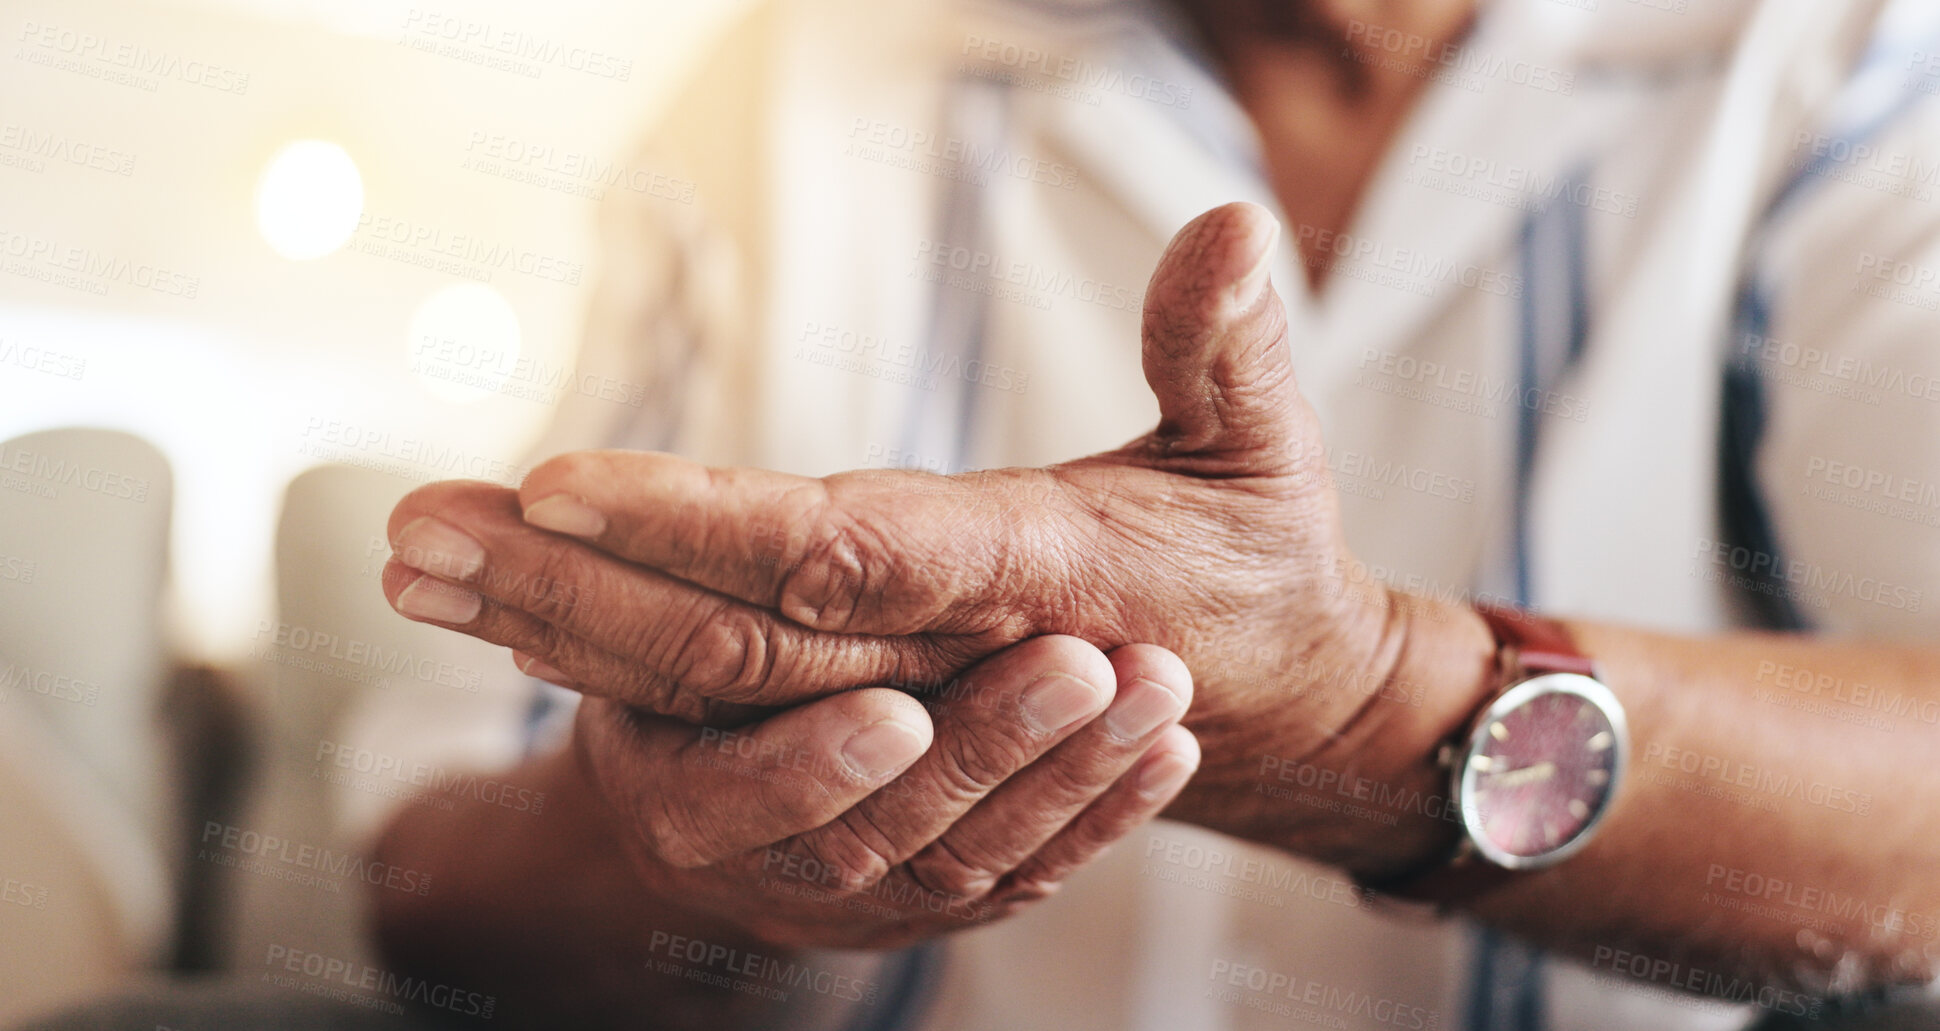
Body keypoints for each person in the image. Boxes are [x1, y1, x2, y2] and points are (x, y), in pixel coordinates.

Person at [367, 0, 1940, 1029]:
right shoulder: (796, 76)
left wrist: (1367, 711)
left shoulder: (1845, 62)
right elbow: (429, 887)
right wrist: (672, 864)